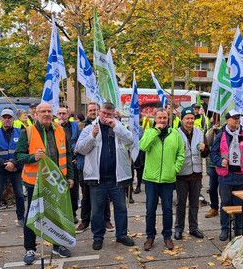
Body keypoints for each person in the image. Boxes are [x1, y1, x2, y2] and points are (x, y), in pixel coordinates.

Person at [15, 102, 74, 264]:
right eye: (43, 111)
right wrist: (33, 157)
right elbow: (18, 156)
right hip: (34, 182)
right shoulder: (27, 132)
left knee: (56, 213)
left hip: (56, 181)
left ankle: (57, 244)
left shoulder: (60, 130)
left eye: (49, 111)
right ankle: (30, 248)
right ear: (36, 114)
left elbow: (67, 155)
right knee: (32, 215)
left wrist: (70, 176)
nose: (47, 114)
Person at [76, 102, 135, 250]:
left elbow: (130, 140)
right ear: (99, 112)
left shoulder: (119, 127)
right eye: (103, 113)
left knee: (121, 208)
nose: (106, 117)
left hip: (117, 178)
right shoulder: (90, 128)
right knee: (97, 210)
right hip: (97, 179)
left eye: (109, 114)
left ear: (113, 113)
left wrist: (116, 126)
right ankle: (98, 237)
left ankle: (121, 235)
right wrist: (92, 136)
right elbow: (80, 149)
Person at [139, 108, 185, 251]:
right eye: (159, 118)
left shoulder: (175, 134)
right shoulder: (149, 132)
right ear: (155, 119)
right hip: (151, 180)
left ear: (168, 119)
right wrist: (155, 131)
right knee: (150, 210)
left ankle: (167, 236)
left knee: (167, 209)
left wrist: (175, 169)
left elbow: (181, 154)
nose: (162, 121)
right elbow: (143, 146)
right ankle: (150, 237)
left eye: (164, 118)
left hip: (167, 179)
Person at [211, 110, 243, 241]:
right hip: (225, 176)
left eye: (238, 118)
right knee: (225, 204)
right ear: (227, 120)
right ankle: (224, 229)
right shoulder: (220, 136)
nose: (237, 120)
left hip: (240, 177)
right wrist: (220, 161)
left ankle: (239, 229)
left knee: (239, 205)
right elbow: (213, 154)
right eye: (234, 118)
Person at [0, 108, 25, 234]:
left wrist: (13, 163)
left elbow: (23, 151)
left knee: (19, 194)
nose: (7, 120)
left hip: (16, 168)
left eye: (9, 117)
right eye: (5, 117)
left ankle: (21, 218)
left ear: (13, 119)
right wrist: (4, 164)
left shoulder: (21, 132)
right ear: (1, 119)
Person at [75, 102, 113, 233]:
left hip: (101, 168)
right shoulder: (81, 125)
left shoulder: (108, 124)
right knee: (86, 196)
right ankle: (85, 221)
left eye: (95, 110)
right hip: (83, 166)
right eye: (90, 110)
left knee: (105, 196)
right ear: (87, 112)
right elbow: (75, 142)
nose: (92, 112)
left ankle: (106, 220)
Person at [175, 107, 209, 240]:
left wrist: (204, 148)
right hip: (182, 174)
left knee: (194, 203)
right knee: (181, 203)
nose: (190, 120)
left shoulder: (200, 133)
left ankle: (193, 228)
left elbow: (207, 153)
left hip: (197, 174)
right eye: (187, 118)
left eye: (192, 118)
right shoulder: (176, 133)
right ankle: (179, 228)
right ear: (182, 119)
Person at [58, 105, 80, 221]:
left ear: (68, 115)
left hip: (73, 162)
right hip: (59, 163)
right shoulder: (54, 127)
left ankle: (73, 213)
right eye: (60, 113)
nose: (62, 116)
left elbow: (79, 140)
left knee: (73, 190)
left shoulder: (75, 126)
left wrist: (76, 156)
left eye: (64, 113)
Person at [204, 114, 222, 218]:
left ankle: (225, 208)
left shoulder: (225, 130)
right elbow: (207, 142)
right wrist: (212, 131)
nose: (217, 123)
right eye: (216, 121)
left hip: (223, 164)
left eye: (219, 121)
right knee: (212, 188)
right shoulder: (210, 130)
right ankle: (214, 207)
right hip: (212, 164)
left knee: (224, 189)